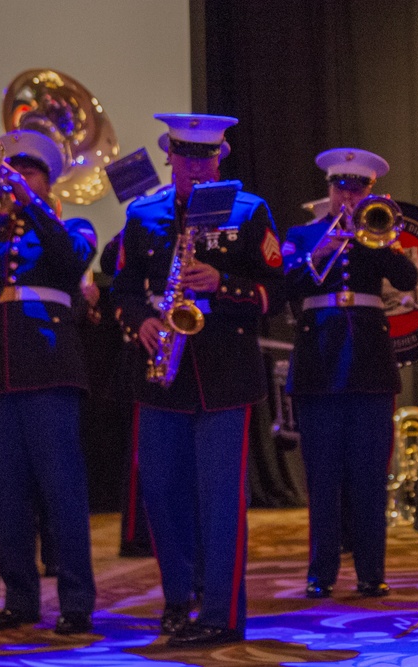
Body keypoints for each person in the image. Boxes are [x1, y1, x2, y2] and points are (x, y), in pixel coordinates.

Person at [112, 113, 283, 647]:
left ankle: (221, 613)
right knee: (162, 497)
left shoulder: (250, 210)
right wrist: (140, 318)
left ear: (219, 158)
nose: (194, 167)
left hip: (225, 376)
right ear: (170, 158)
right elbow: (120, 287)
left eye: (203, 158)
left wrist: (223, 282)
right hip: (162, 376)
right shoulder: (145, 213)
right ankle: (177, 600)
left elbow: (277, 290)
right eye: (185, 157)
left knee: (220, 501)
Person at [0, 128, 97, 635]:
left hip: (48, 371)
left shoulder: (74, 226)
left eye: (30, 171)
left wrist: (32, 204)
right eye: (13, 170)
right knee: (4, 497)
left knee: (62, 492)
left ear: (48, 182)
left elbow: (72, 264)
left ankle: (75, 601)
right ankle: (21, 598)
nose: (17, 178)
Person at [283, 148, 418, 599]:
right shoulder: (302, 236)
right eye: (342, 186)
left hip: (369, 368)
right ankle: (320, 573)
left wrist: (384, 238)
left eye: (357, 187)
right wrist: (325, 245)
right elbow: (288, 284)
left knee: (367, 477)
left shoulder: (376, 236)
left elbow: (404, 280)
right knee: (322, 478)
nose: (348, 194)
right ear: (329, 188)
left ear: (369, 192)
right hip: (319, 365)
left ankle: (370, 573)